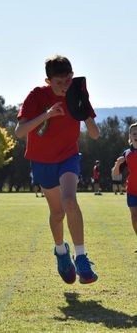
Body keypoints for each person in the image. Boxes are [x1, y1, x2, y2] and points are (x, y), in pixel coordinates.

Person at [15, 55, 100, 284]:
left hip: (68, 157)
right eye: (59, 83)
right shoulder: (37, 95)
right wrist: (47, 114)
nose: (65, 87)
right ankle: (61, 252)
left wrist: (85, 113)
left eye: (68, 80)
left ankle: (81, 258)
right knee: (57, 213)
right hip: (42, 162)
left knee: (70, 201)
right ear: (48, 81)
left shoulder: (77, 91)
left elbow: (94, 134)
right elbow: (19, 132)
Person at [112, 122, 137, 249]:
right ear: (130, 136)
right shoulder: (126, 153)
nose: (136, 135)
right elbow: (115, 174)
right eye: (134, 133)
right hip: (132, 190)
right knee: (134, 216)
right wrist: (118, 164)